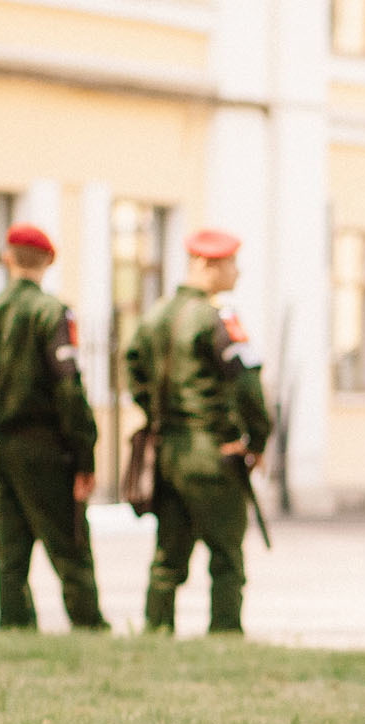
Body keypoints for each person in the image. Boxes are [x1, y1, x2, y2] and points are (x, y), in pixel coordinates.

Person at [125, 227, 271, 635]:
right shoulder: (219, 318)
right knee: (226, 554)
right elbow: (247, 384)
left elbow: (132, 369)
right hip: (211, 451)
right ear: (207, 265)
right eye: (231, 264)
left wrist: (153, 411)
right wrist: (257, 440)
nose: (237, 273)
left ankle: (156, 630)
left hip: (166, 452)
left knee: (168, 553)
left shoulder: (154, 316)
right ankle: (225, 633)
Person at [0, 223, 103, 631]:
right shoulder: (52, 312)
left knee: (10, 554)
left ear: (7, 258)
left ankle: (15, 627)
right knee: (70, 546)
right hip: (45, 447)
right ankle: (89, 626)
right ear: (47, 261)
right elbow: (68, 388)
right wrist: (84, 454)